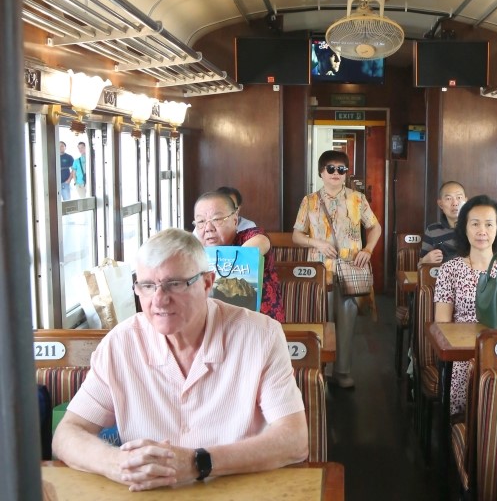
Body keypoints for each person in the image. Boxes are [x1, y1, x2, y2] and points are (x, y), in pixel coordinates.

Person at [51, 229, 307, 491]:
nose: (159, 300)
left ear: (207, 283)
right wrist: (117, 463)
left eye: (174, 284)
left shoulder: (260, 336)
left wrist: (199, 462)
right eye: (147, 286)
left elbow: (295, 440)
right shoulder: (120, 344)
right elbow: (67, 433)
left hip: (239, 491)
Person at [292, 150, 382, 388]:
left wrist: (368, 250)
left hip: (351, 268)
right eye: (330, 168)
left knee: (346, 321)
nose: (336, 173)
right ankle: (320, 369)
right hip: (320, 272)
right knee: (320, 319)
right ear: (321, 172)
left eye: (341, 169)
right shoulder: (309, 201)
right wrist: (317, 243)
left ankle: (342, 371)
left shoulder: (357, 199)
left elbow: (375, 227)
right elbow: (296, 235)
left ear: (346, 173)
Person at [434, 194, 497, 416]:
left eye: (489, 224)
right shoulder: (449, 270)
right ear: (464, 228)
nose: (482, 231)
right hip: (464, 355)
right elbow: (442, 326)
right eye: (475, 224)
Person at [194, 191, 284, 321]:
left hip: (259, 325)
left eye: (217, 219)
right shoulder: (196, 251)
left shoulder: (248, 237)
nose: (208, 228)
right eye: (201, 221)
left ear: (235, 220)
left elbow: (261, 242)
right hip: (216, 324)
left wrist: (229, 264)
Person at [418, 182, 497, 266]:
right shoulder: (432, 230)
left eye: (459, 198)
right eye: (448, 198)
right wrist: (425, 261)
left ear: (465, 201)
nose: (455, 203)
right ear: (440, 203)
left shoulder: (478, 229)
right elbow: (419, 266)